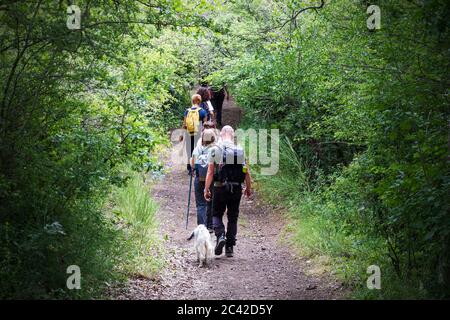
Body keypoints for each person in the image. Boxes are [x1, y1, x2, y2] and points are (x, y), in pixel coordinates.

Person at [204, 126, 252, 258]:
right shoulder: (240, 150)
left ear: (221, 135)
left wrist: (206, 188)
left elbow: (210, 172)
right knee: (233, 216)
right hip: (236, 188)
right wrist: (248, 187)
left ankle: (220, 236)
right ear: (232, 135)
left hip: (219, 188)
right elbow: (245, 171)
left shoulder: (215, 149)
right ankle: (230, 247)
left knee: (216, 214)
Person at [191, 129, 216, 230]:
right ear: (213, 138)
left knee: (201, 204)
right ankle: (210, 226)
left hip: (199, 178)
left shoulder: (197, 149)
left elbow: (192, 165)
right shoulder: (216, 149)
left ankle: (201, 227)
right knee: (211, 201)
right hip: (212, 179)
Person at [181, 94, 208, 173]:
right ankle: (196, 168)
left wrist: (182, 134)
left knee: (189, 150)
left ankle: (189, 168)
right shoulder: (202, 111)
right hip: (198, 133)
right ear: (199, 101)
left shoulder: (187, 111)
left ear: (192, 101)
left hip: (188, 133)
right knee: (198, 149)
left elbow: (184, 124)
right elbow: (205, 125)